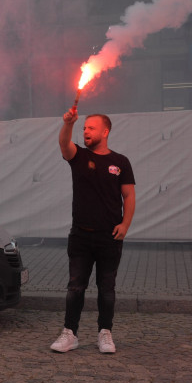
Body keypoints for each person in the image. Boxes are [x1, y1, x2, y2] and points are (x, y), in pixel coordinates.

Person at [51, 108, 136, 355]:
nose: (86, 131)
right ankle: (70, 334)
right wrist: (68, 123)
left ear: (105, 132)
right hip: (80, 236)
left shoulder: (120, 162)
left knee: (106, 289)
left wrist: (125, 225)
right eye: (84, 127)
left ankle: (105, 333)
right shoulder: (78, 156)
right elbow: (64, 144)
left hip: (109, 237)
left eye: (91, 128)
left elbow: (129, 195)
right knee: (75, 287)